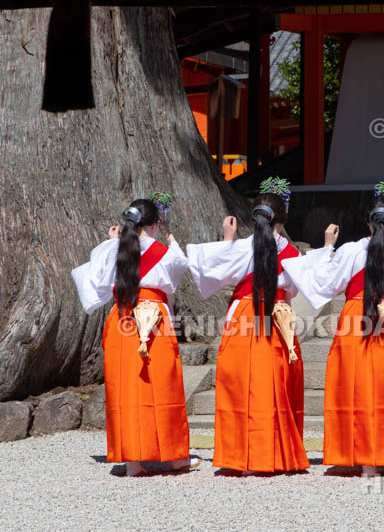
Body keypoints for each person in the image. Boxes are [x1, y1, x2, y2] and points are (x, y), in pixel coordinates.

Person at [282, 183, 384, 476]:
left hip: (355, 315)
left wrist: (328, 247)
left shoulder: (351, 250)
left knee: (355, 383)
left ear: (368, 221)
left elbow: (326, 284)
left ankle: (359, 454)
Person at [186, 180, 309, 475]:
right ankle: (273, 453)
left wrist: (227, 240)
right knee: (273, 383)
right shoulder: (291, 253)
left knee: (239, 383)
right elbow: (295, 288)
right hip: (276, 314)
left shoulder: (242, 247)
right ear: (283, 217)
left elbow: (209, 271)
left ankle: (240, 455)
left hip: (244, 313)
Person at [72, 197, 197, 476]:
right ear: (154, 225)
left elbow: (96, 282)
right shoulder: (163, 251)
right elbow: (180, 264)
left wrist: (111, 241)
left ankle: (132, 462)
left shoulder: (111, 251)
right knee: (163, 384)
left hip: (123, 320)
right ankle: (174, 456)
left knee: (127, 387)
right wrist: (170, 235)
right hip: (154, 322)